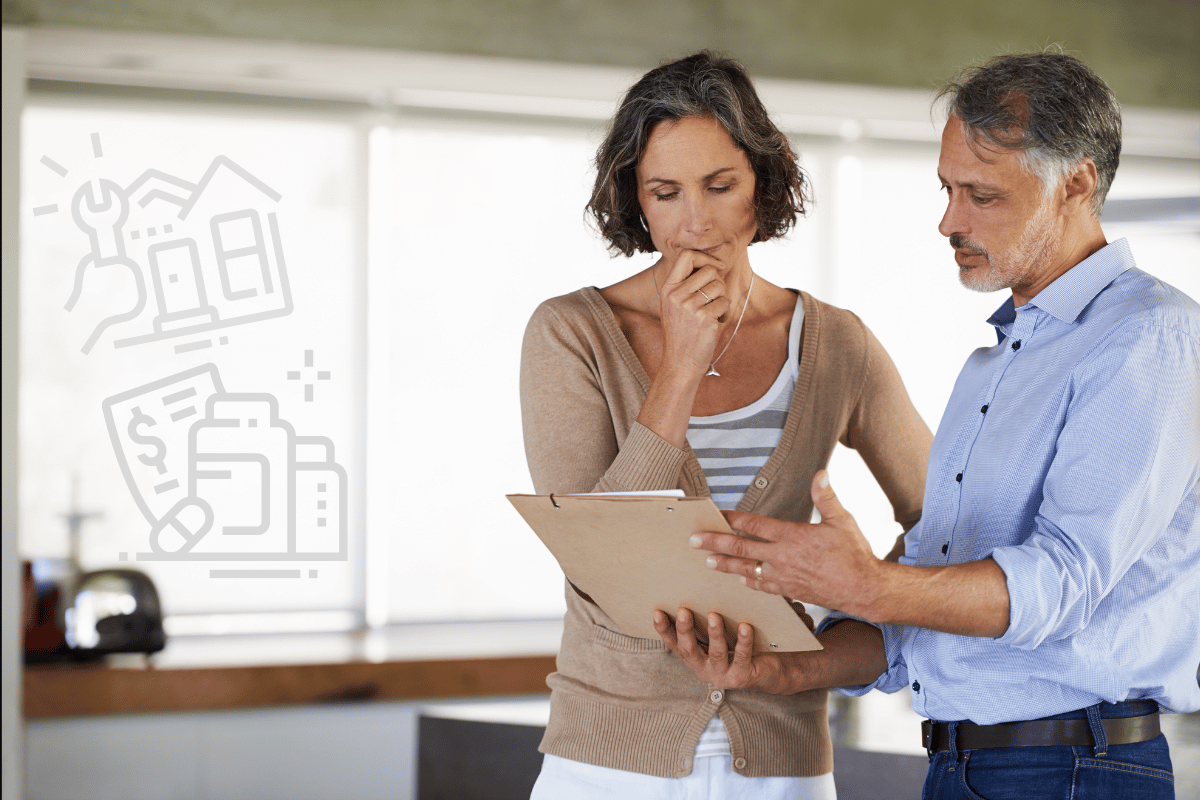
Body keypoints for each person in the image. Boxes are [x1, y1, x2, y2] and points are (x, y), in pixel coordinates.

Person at [656, 51, 1200, 799]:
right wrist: (785, 668)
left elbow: (1062, 582)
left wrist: (872, 584)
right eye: (947, 189)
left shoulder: (1148, 337)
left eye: (981, 194)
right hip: (964, 765)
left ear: (1076, 183)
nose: (949, 221)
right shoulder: (996, 362)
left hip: (1071, 767)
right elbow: (926, 607)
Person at [520, 51, 932, 798]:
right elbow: (595, 558)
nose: (697, 222)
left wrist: (853, 619)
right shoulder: (571, 333)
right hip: (607, 761)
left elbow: (948, 524)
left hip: (783, 759)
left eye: (721, 185)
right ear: (637, 203)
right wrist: (679, 367)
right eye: (666, 192)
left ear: (763, 187)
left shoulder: (837, 343)